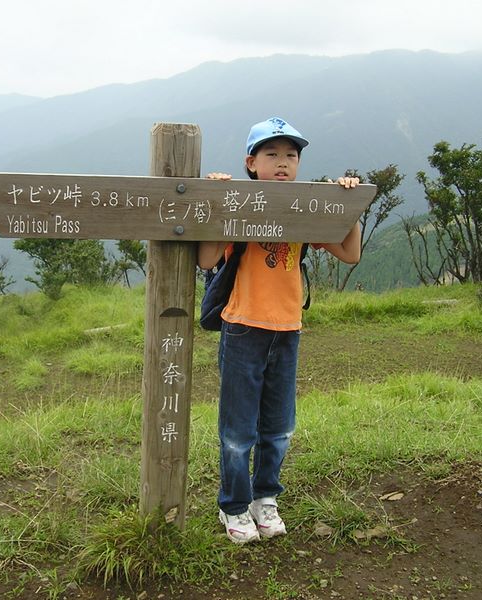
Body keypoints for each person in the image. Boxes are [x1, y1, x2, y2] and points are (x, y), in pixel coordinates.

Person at [198, 117, 361, 544]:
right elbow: (207, 258)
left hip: (288, 330)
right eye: (271, 154)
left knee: (279, 428)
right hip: (242, 329)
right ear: (251, 163)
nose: (283, 162)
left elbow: (350, 253)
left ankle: (264, 499)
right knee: (238, 432)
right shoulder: (241, 206)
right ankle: (234, 505)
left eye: (291, 155)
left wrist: (349, 206)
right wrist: (216, 200)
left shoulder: (304, 209)